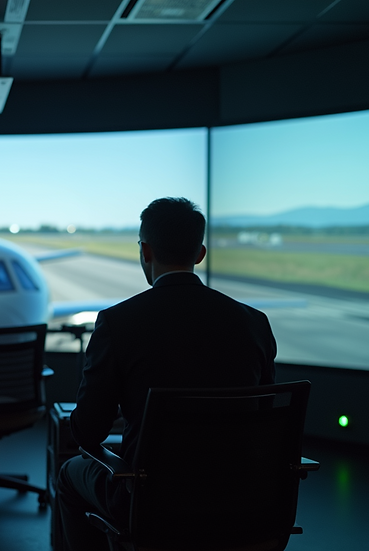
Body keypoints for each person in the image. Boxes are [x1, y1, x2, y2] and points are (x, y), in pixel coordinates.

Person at [56, 198, 277, 550]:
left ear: (146, 252)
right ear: (200, 253)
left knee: (68, 476)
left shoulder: (118, 322)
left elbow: (87, 433)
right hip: (240, 497)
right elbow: (267, 422)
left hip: (150, 499)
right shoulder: (254, 323)